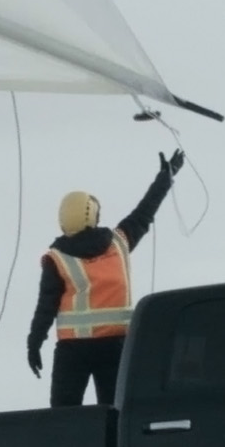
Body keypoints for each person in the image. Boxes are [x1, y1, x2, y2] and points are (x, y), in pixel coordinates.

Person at [27, 150, 184, 407]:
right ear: (93, 215)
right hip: (116, 346)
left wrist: (33, 343)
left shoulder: (56, 259)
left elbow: (46, 307)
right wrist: (166, 176)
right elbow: (145, 212)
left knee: (63, 419)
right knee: (113, 415)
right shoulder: (119, 242)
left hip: (73, 351)